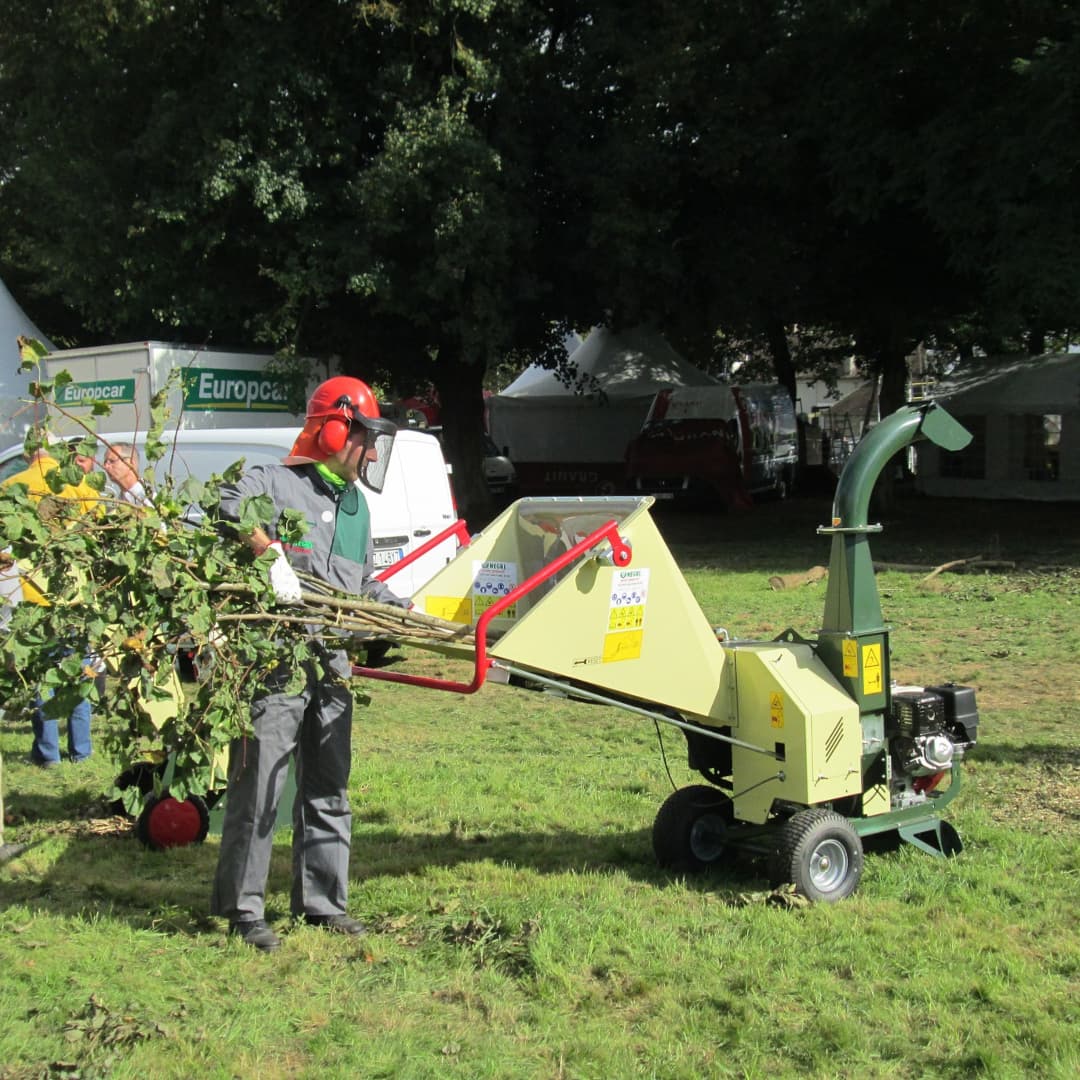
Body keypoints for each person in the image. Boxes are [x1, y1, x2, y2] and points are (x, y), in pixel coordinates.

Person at [210, 375, 408, 952]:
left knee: (329, 783)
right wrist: (268, 552)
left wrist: (395, 611)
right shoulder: (274, 481)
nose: (371, 453)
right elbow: (227, 504)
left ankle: (322, 903)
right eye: (365, 438)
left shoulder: (356, 509)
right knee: (261, 784)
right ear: (333, 429)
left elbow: (362, 582)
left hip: (332, 666)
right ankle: (242, 908)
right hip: (277, 661)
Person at [3, 436, 100, 767]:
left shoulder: (13, 485)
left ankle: (47, 754)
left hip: (34, 593)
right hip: (75, 593)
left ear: (30, 455)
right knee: (79, 674)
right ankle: (82, 752)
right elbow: (101, 528)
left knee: (42, 677)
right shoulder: (79, 483)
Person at [102, 441, 151, 506]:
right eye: (105, 462)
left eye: (112, 461)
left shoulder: (147, 497)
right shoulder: (120, 500)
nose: (106, 467)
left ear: (131, 463)